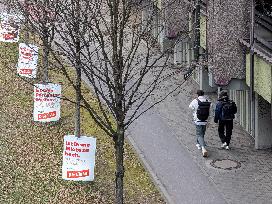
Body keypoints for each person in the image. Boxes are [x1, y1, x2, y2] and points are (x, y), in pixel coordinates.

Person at [189, 90, 211, 157]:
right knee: (202, 133)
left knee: (199, 134)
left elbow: (190, 107)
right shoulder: (207, 100)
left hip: (198, 119)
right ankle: (198, 144)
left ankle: (203, 148)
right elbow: (210, 109)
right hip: (205, 120)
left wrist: (195, 110)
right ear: (203, 94)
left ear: (197, 94)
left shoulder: (195, 101)